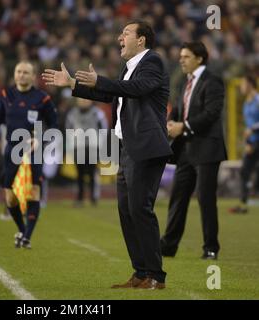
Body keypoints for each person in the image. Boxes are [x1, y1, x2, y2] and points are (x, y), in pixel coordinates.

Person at [43, 20, 172, 289]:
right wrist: (72, 84)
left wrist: (100, 80)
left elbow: (136, 90)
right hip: (127, 148)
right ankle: (140, 272)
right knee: (126, 210)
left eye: (125, 33)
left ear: (142, 40)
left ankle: (156, 276)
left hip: (146, 147)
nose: (119, 38)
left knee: (140, 209)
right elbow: (113, 96)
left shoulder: (153, 62)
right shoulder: (128, 67)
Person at [160, 41, 227, 260]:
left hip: (207, 148)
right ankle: (168, 246)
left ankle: (210, 248)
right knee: (178, 198)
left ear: (199, 58)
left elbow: (212, 113)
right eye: (181, 56)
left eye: (186, 56)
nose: (181, 60)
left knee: (206, 199)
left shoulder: (212, 81)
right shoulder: (186, 82)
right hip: (186, 149)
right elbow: (179, 109)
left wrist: (184, 126)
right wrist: (171, 123)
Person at [0, 61, 57, 249]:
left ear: (33, 76)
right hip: (12, 150)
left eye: (26, 72)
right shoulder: (7, 95)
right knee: (10, 198)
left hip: (33, 151)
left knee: (33, 192)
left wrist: (39, 137)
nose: (22, 75)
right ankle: (22, 230)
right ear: (14, 75)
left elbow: (54, 125)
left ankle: (27, 237)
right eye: (18, 71)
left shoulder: (43, 98)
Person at [65, 97, 108, 206]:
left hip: (93, 147)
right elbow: (68, 129)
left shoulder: (97, 113)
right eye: (81, 99)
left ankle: (94, 197)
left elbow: (104, 128)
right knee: (79, 174)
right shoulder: (72, 113)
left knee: (92, 172)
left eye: (86, 99)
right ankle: (80, 197)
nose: (84, 101)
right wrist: (71, 145)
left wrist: (100, 144)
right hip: (78, 146)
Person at [229, 75, 259, 214]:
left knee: (247, 169)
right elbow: (248, 127)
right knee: (246, 170)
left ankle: (246, 199)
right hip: (253, 142)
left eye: (243, 84)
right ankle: (246, 200)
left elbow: (251, 126)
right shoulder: (246, 103)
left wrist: (252, 129)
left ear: (250, 85)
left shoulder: (257, 100)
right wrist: (248, 141)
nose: (241, 87)